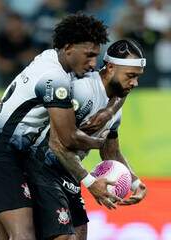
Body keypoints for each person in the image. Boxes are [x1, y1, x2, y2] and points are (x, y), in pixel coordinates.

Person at [0, 13, 119, 240]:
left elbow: (117, 82)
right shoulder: (54, 78)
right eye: (89, 55)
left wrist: (109, 110)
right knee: (23, 236)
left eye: (96, 56)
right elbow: (68, 138)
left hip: (6, 153)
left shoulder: (50, 56)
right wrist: (103, 142)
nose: (92, 63)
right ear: (69, 48)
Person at [26, 39, 148, 240]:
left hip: (70, 174)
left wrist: (135, 182)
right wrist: (90, 182)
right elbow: (55, 142)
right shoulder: (82, 89)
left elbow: (110, 151)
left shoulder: (115, 104)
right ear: (110, 67)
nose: (135, 83)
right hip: (41, 170)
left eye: (137, 77)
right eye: (131, 76)